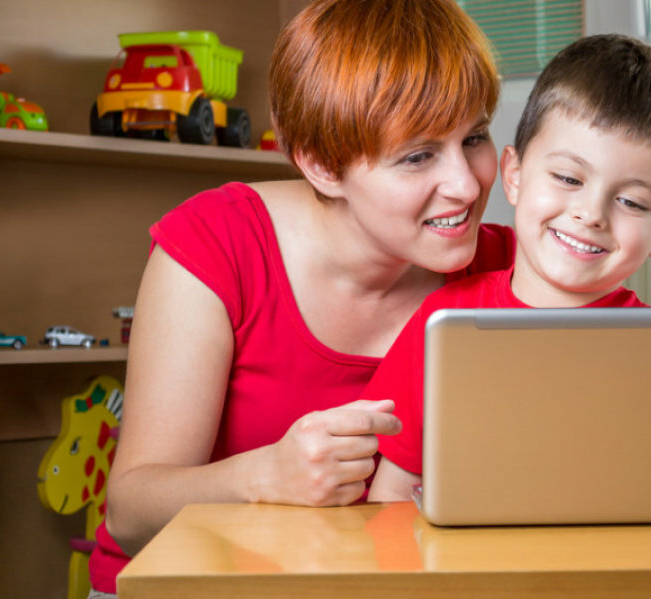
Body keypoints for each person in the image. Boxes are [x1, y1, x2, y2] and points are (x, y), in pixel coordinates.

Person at [88, 0, 516, 595]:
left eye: (475, 137)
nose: (468, 185)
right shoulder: (217, 245)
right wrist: (262, 475)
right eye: (418, 156)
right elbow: (129, 514)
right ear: (321, 165)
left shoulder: (517, 267)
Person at [367, 33, 651, 501]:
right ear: (514, 175)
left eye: (631, 201)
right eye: (568, 178)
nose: (591, 213)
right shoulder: (441, 325)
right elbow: (392, 494)